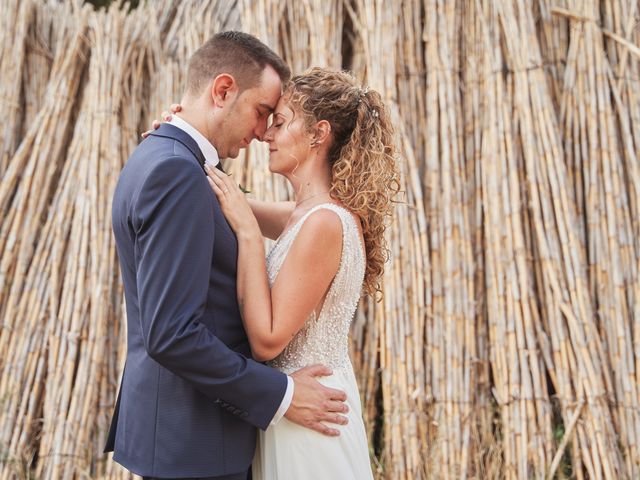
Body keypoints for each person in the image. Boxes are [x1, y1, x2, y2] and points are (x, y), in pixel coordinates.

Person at [106, 32, 350, 480]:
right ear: (222, 91)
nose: (263, 133)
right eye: (261, 113)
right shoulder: (176, 172)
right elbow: (172, 334)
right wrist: (281, 395)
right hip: (195, 441)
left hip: (196, 437)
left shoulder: (171, 161)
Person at [201, 67, 399, 478]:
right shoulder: (307, 215)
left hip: (312, 418)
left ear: (318, 133)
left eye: (281, 122)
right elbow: (230, 202)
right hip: (296, 408)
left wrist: (250, 238)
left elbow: (268, 341)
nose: (267, 136)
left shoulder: (325, 223)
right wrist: (188, 145)